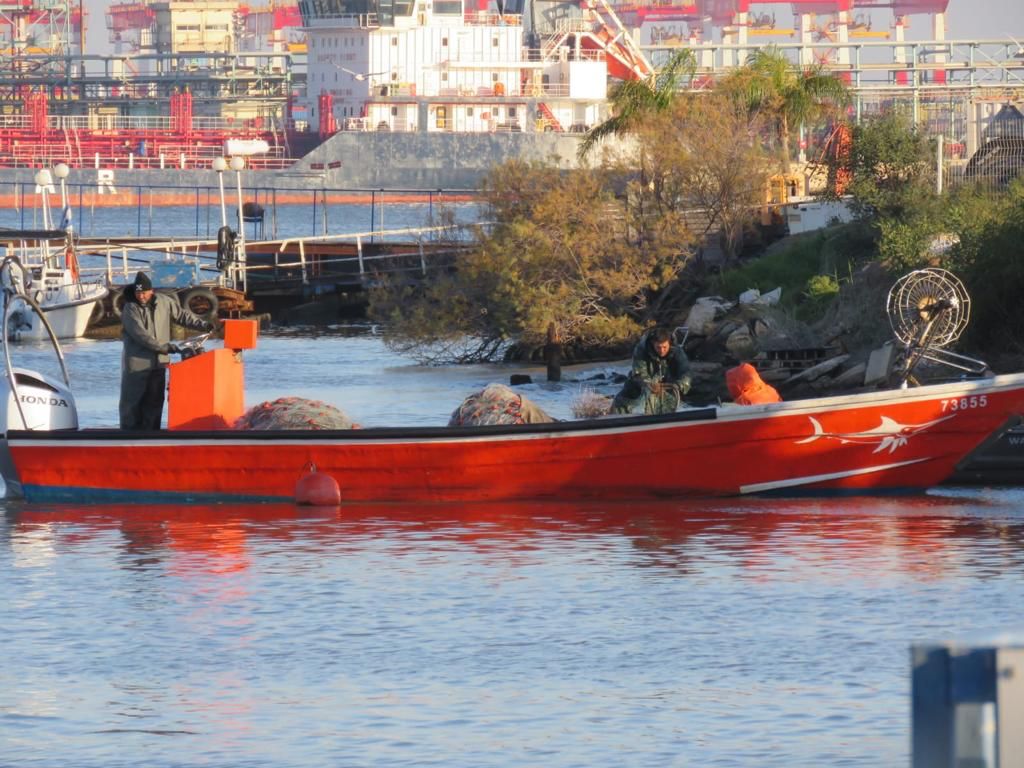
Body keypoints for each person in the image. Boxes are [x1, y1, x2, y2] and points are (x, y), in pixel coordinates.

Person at [119, 271, 213, 430]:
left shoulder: (165, 302)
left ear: (151, 291)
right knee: (132, 402)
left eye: (144, 292)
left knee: (155, 401)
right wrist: (167, 348)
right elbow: (141, 335)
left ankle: (152, 434)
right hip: (137, 365)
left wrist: (204, 325)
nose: (141, 296)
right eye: (138, 293)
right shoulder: (130, 308)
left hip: (160, 363)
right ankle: (128, 435)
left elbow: (182, 316)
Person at [612, 326, 691, 415]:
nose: (662, 351)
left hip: (670, 385)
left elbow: (686, 372)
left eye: (665, 347)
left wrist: (678, 385)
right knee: (623, 399)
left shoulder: (678, 351)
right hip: (642, 385)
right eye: (658, 347)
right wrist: (649, 384)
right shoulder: (641, 350)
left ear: (669, 343)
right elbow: (638, 373)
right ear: (653, 343)